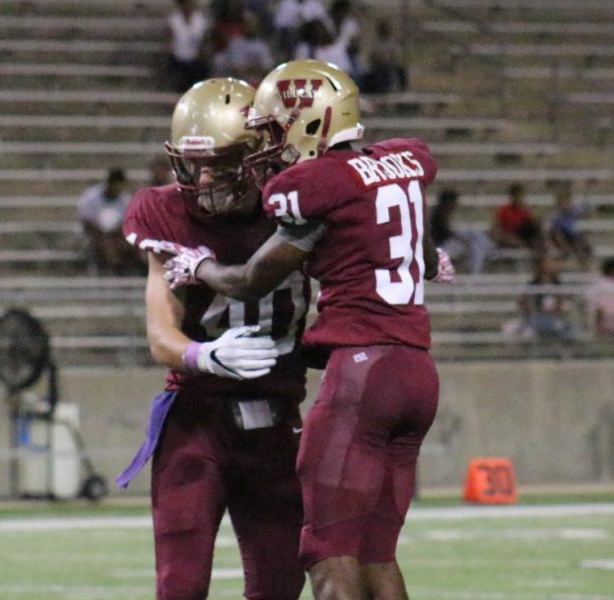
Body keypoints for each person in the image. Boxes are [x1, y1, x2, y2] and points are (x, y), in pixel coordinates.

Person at [164, 60, 454, 600]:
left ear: (311, 123)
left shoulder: (319, 184)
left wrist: (198, 267)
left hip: (363, 377)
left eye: (275, 130)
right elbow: (427, 254)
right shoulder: (400, 161)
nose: (271, 145)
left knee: (327, 554)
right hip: (418, 373)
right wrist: (428, 260)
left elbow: (251, 279)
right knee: (376, 555)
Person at [115, 78, 310, 600]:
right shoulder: (165, 210)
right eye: (194, 163)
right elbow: (161, 335)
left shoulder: (301, 201)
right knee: (180, 585)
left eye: (222, 163)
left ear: (259, 155)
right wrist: (205, 354)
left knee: (279, 587)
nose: (204, 178)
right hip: (197, 421)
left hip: (278, 419)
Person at [76, 168, 138, 275]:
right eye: (114, 183)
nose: (116, 187)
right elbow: (86, 219)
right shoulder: (91, 196)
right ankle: (110, 269)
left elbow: (127, 222)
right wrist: (102, 233)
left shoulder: (125, 200)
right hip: (93, 234)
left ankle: (125, 270)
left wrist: (115, 233)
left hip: (116, 236)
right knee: (104, 243)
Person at [518, 254, 581, 342]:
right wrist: (534, 310)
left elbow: (562, 303)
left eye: (553, 262)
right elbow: (522, 302)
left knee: (575, 328)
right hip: (537, 318)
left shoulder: (558, 284)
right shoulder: (533, 284)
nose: (553, 265)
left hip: (554, 318)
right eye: (550, 262)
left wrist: (557, 309)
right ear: (541, 265)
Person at [430, 188, 494, 274]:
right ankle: (475, 272)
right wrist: (463, 240)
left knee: (473, 237)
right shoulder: (439, 215)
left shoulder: (440, 214)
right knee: (474, 247)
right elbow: (447, 234)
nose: (455, 206)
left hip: (444, 244)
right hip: (442, 247)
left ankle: (473, 269)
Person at [489, 182, 545, 255]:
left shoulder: (525, 211)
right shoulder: (503, 211)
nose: (520, 199)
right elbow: (495, 230)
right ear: (512, 197)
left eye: (521, 196)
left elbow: (531, 227)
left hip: (523, 238)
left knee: (536, 227)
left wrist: (536, 221)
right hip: (509, 238)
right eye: (517, 196)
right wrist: (506, 237)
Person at [167, 0, 209, 92]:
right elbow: (171, 39)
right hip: (178, 54)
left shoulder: (199, 19)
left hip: (195, 55)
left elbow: (203, 39)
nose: (187, 7)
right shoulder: (174, 19)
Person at [549, 187, 592, 268]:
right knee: (556, 231)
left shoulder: (574, 211)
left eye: (566, 201)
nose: (563, 204)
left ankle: (583, 263)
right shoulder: (555, 215)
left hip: (573, 236)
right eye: (561, 202)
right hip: (561, 237)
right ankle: (565, 249)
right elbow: (555, 229)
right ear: (557, 203)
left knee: (579, 240)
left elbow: (587, 209)